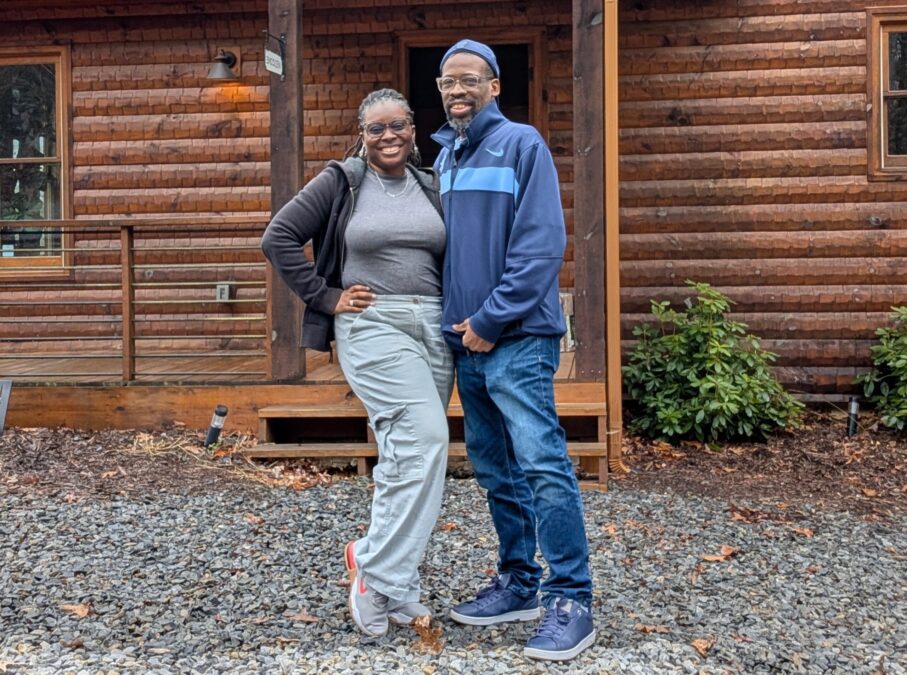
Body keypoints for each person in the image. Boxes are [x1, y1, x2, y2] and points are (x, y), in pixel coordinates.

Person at [261, 89, 453, 639]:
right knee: (425, 439)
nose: (388, 136)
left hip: (433, 325)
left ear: (414, 128)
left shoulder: (431, 184)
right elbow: (278, 237)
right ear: (362, 135)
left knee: (404, 457)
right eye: (376, 129)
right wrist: (325, 296)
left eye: (397, 125)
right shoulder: (343, 181)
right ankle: (377, 574)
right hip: (373, 323)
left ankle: (385, 567)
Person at [431, 40, 596, 661]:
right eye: (448, 82)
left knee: (543, 465)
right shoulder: (445, 156)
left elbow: (540, 247)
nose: (457, 90)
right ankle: (519, 582)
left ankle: (571, 599)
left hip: (516, 339)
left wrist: (491, 320)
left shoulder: (523, 144)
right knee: (495, 469)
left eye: (470, 79)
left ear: (494, 86)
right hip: (464, 344)